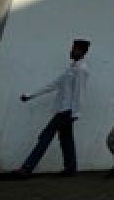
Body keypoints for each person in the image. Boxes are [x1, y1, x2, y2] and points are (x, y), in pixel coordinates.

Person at [16, 38, 90, 176]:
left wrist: (76, 114)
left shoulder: (81, 70)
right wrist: (30, 95)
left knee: (46, 136)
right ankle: (71, 169)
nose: (71, 51)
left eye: (74, 49)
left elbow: (80, 93)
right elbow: (54, 84)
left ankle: (26, 168)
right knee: (66, 140)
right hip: (63, 110)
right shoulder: (72, 68)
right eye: (72, 48)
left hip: (66, 112)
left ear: (82, 51)